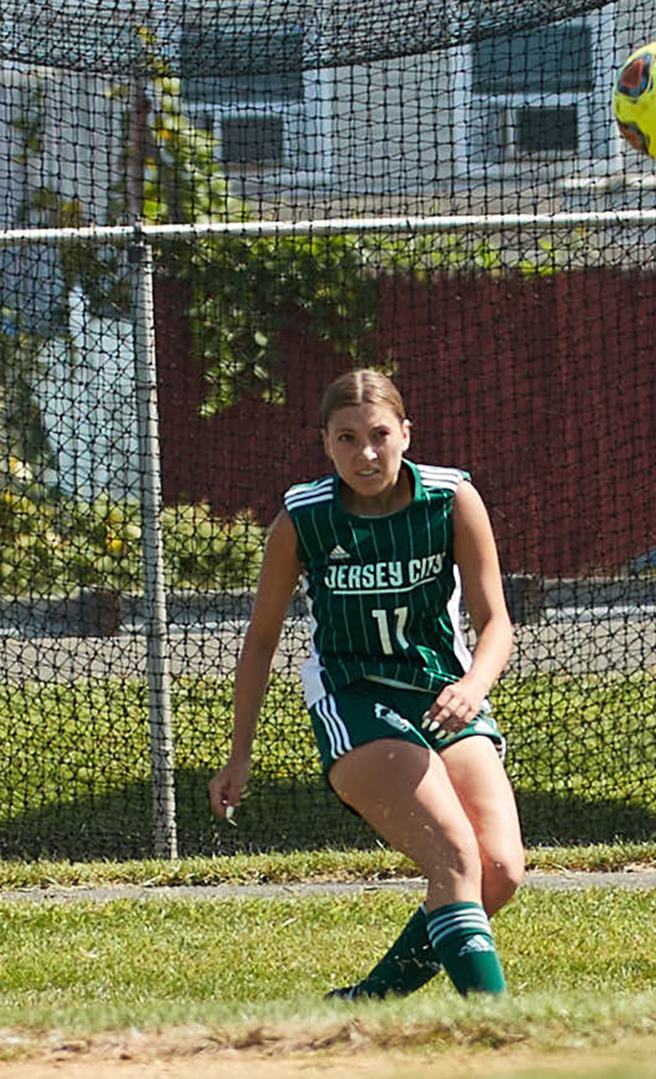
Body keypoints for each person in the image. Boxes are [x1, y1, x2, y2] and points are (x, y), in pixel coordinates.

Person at [210, 368, 524, 1000]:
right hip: (355, 698)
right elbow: (261, 641)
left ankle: (370, 1002)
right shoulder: (304, 519)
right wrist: (239, 753)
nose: (367, 453)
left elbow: (497, 624)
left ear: (406, 433)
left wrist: (473, 684)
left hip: (441, 694)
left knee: (499, 872)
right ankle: (501, 1030)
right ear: (326, 443)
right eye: (347, 438)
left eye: (380, 434)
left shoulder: (451, 498)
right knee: (455, 858)